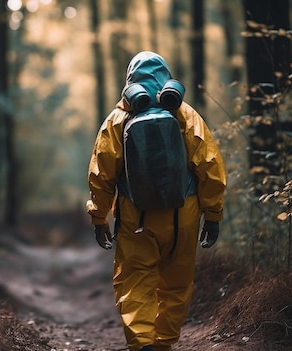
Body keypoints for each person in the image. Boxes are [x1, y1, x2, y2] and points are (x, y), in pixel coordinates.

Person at [85, 51, 227, 351]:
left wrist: (99, 218)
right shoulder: (185, 115)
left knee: (136, 282)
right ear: (165, 78)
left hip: (136, 217)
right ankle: (163, 343)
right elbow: (210, 166)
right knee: (176, 285)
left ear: (130, 82)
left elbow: (101, 173)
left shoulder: (118, 119)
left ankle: (142, 344)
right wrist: (213, 215)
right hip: (183, 214)